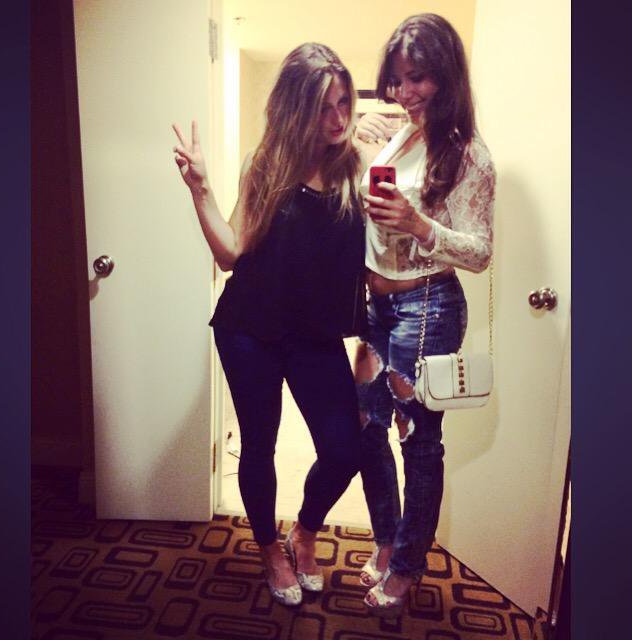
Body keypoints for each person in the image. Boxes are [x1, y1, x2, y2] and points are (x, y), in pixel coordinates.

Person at [171, 43, 366, 607]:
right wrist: (200, 189)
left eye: (344, 104)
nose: (337, 118)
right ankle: (268, 550)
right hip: (250, 329)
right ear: (295, 107)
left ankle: (304, 531)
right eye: (324, 107)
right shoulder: (267, 164)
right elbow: (231, 253)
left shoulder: (354, 167)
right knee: (259, 446)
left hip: (316, 336)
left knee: (344, 449)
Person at [352, 14, 496, 616]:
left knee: (417, 441)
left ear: (446, 76)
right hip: (378, 308)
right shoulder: (401, 135)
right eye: (396, 79)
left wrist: (417, 223)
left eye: (417, 78)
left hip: (428, 306)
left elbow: (480, 252)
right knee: (365, 425)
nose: (403, 92)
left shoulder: (469, 155)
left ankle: (408, 566)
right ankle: (387, 540)